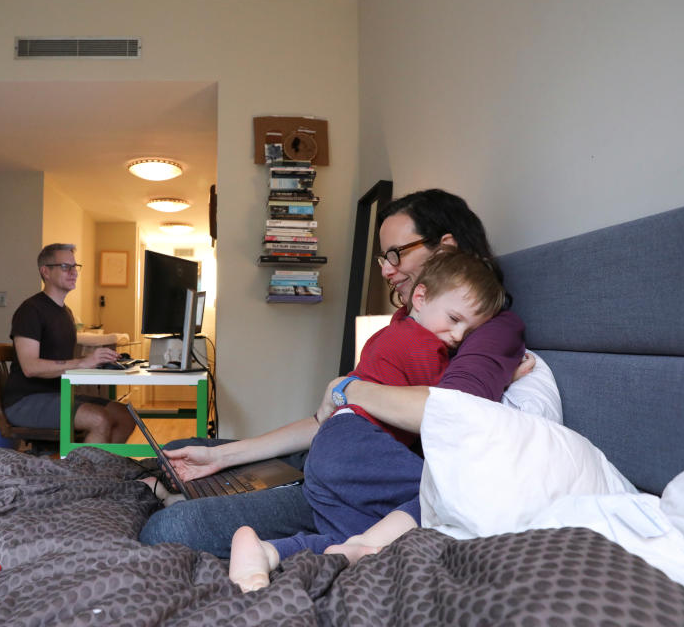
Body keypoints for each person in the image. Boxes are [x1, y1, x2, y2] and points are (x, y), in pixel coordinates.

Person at [138, 190, 530, 558]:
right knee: (191, 449)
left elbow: (452, 410)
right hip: (339, 447)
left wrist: (347, 388)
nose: (387, 271)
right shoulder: (411, 324)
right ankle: (210, 471)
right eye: (383, 258)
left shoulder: (490, 328)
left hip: (362, 479)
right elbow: (328, 418)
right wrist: (220, 457)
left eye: (396, 254)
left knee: (172, 528)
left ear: (444, 248)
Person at [227, 248, 507, 591]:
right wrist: (506, 377)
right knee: (448, 488)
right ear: (420, 297)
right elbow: (448, 402)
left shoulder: (392, 330)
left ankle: (267, 553)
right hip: (357, 440)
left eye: (469, 330)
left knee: (346, 537)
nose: (459, 337)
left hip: (330, 448)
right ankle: (350, 545)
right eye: (454, 319)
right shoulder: (420, 343)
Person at [2, 244, 135, 444]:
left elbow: (60, 360)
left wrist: (95, 361)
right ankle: (82, 474)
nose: (74, 272)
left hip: (57, 395)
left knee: (125, 415)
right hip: (25, 402)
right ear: (45, 271)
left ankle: (104, 470)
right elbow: (30, 367)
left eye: (75, 266)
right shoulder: (30, 310)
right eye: (66, 267)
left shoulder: (66, 313)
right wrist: (81, 363)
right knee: (99, 419)